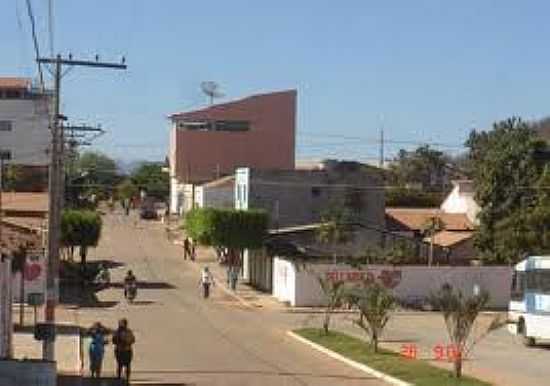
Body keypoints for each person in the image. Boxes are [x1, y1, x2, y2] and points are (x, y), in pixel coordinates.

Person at [112, 318, 136, 382]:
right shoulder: (117, 332)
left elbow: (133, 340)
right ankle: (119, 378)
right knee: (119, 365)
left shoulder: (129, 331)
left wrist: (126, 342)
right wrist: (118, 341)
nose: (120, 325)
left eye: (121, 323)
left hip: (127, 350)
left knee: (128, 365)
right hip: (119, 351)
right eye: (120, 323)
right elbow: (113, 340)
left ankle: (127, 378)